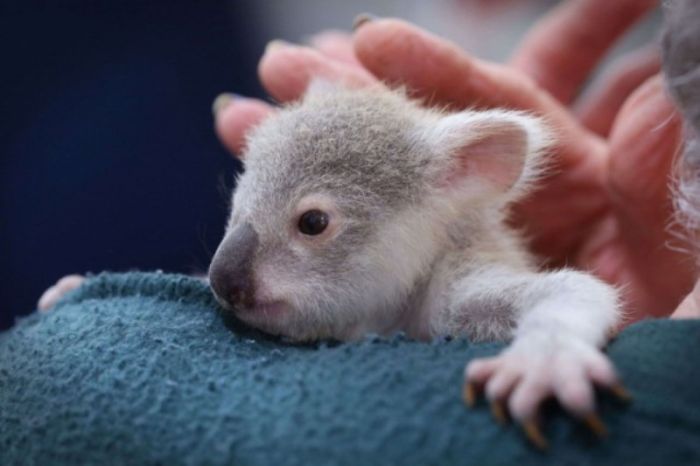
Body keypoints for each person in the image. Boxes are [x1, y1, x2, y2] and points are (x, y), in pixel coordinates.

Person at [213, 0, 698, 323]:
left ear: (463, 169)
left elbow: (567, 299)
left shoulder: (456, 285)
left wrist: (560, 347)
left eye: (314, 223)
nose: (223, 276)